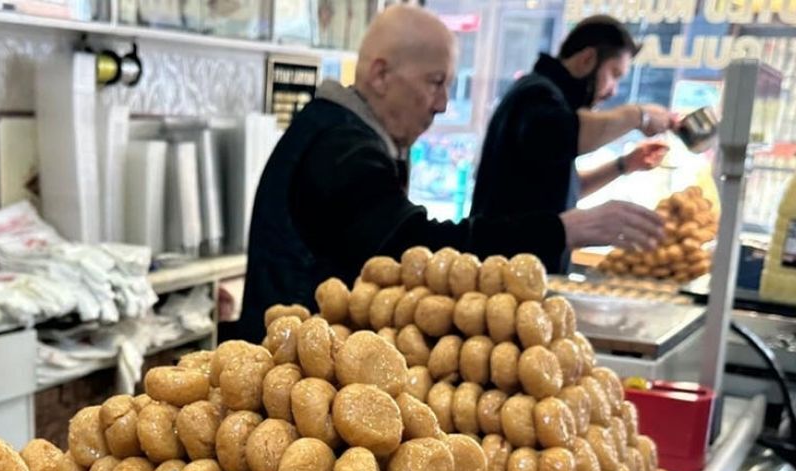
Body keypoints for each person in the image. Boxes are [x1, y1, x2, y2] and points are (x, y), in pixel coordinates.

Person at [235, 5, 662, 343]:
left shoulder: (340, 133)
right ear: (381, 75)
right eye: (435, 82)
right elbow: (418, 252)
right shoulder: (342, 149)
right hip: (286, 377)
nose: (441, 104)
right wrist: (561, 230)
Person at [471, 15, 676, 271]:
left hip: (526, 274)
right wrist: (638, 116)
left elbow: (566, 190)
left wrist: (625, 164)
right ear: (587, 59)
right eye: (614, 74)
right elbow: (565, 134)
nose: (613, 90)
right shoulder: (536, 94)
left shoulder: (548, 98)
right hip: (505, 274)